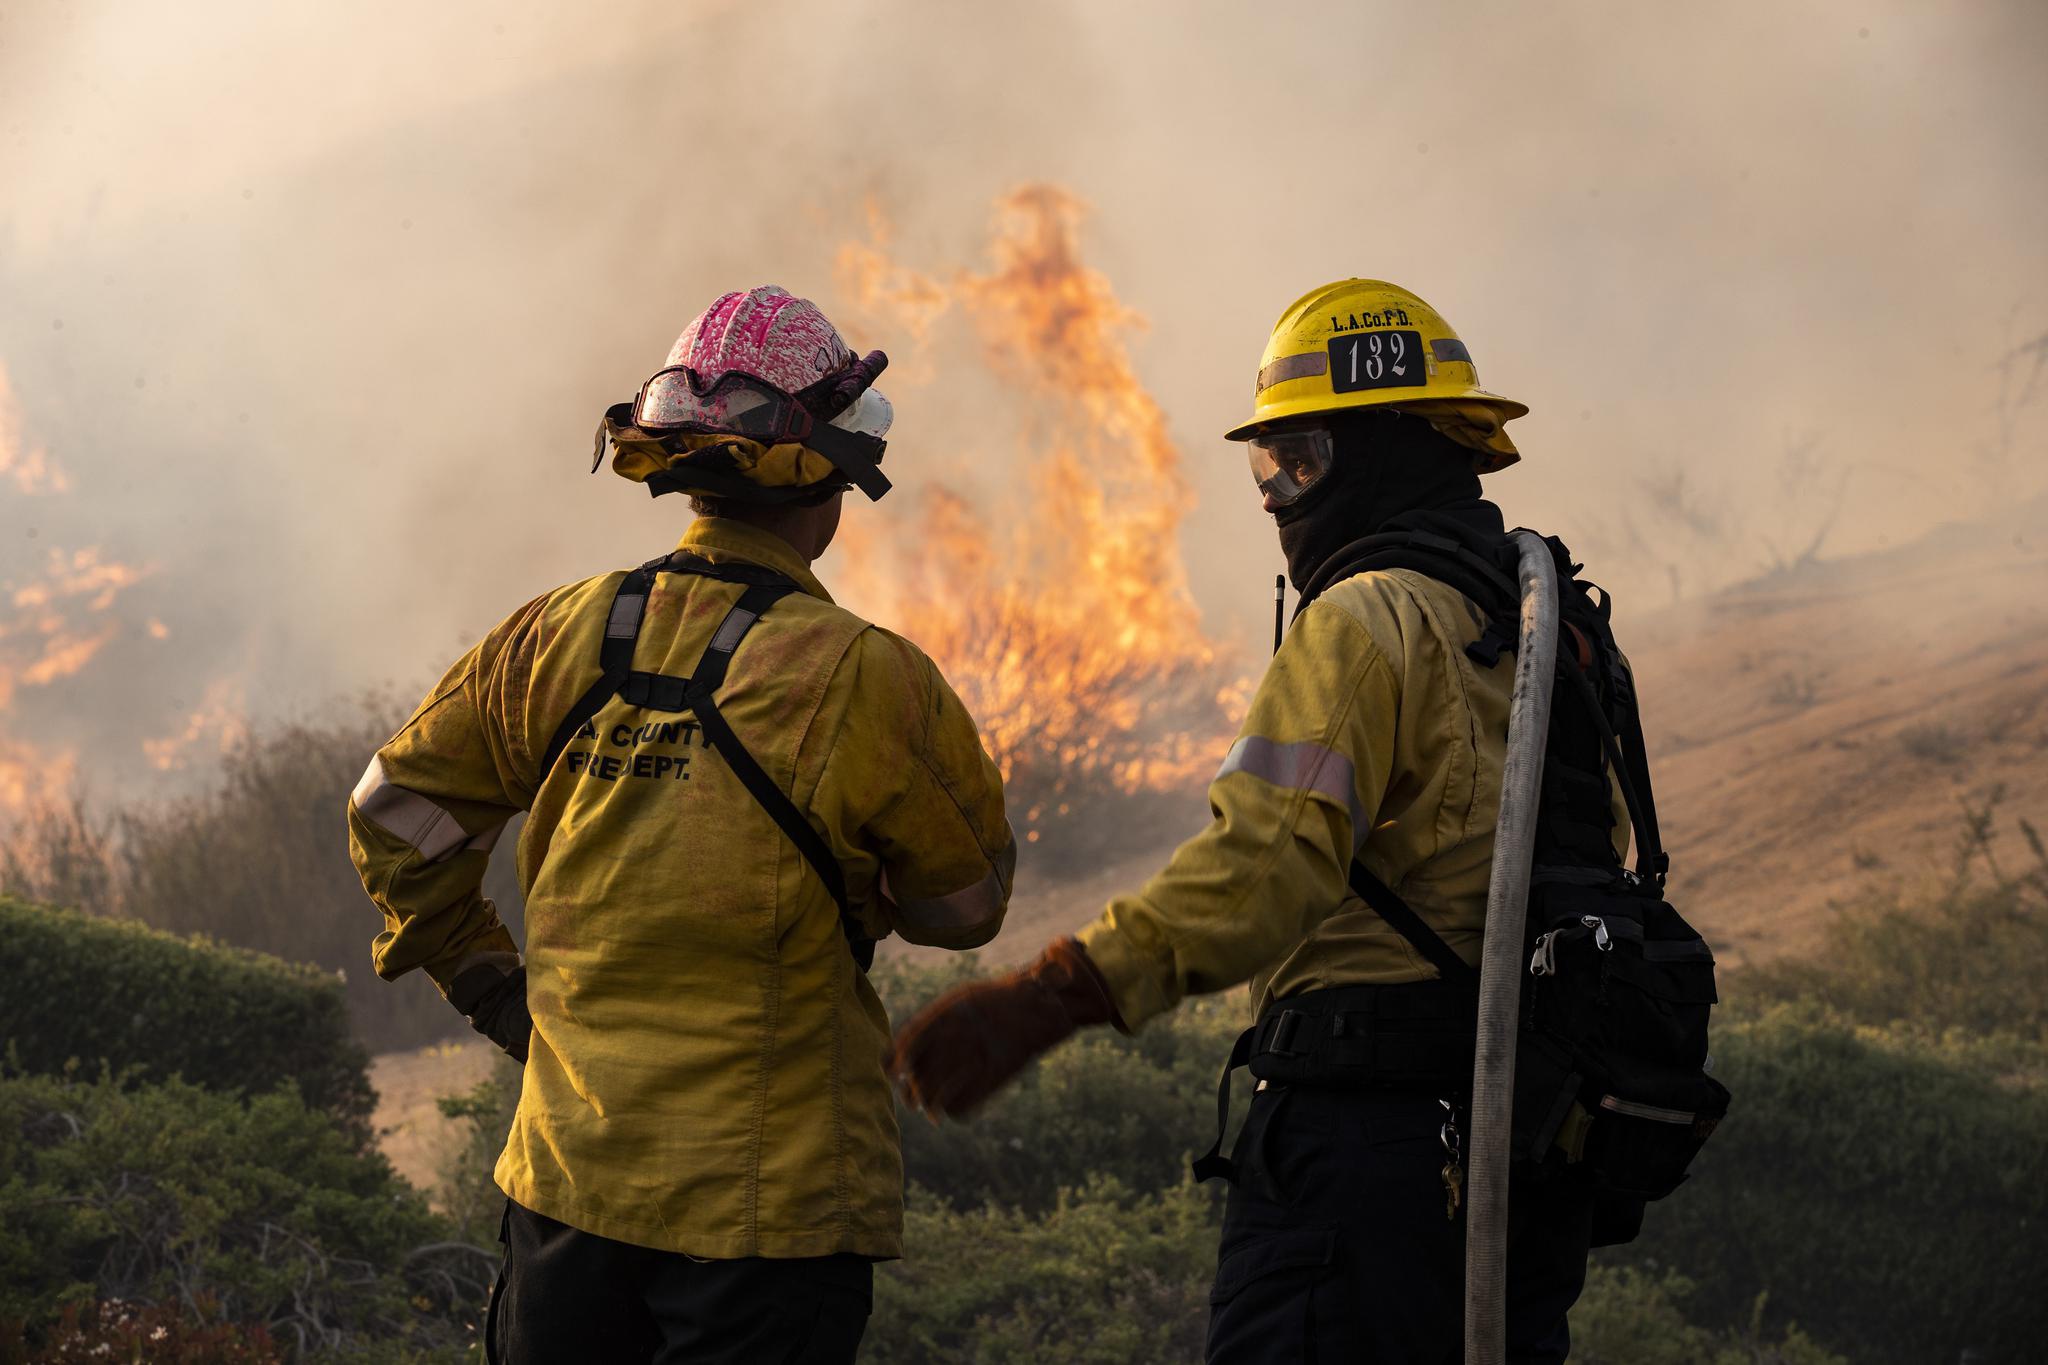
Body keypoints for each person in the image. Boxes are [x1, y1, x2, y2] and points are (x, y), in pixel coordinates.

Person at [888, 279, 1634, 1362]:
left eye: (1301, 462)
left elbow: (1259, 872)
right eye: (1265, 469)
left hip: (1363, 1150)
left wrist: (1051, 996)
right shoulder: (1551, 628)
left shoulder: (1366, 619)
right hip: (1514, 1143)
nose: (1279, 496)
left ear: (1383, 451)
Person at [347, 285, 1017, 1365]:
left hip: (567, 1196)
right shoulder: (863, 678)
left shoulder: (549, 636)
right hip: (770, 1222)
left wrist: (493, 990)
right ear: (830, 478)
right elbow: (965, 905)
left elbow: (392, 817)